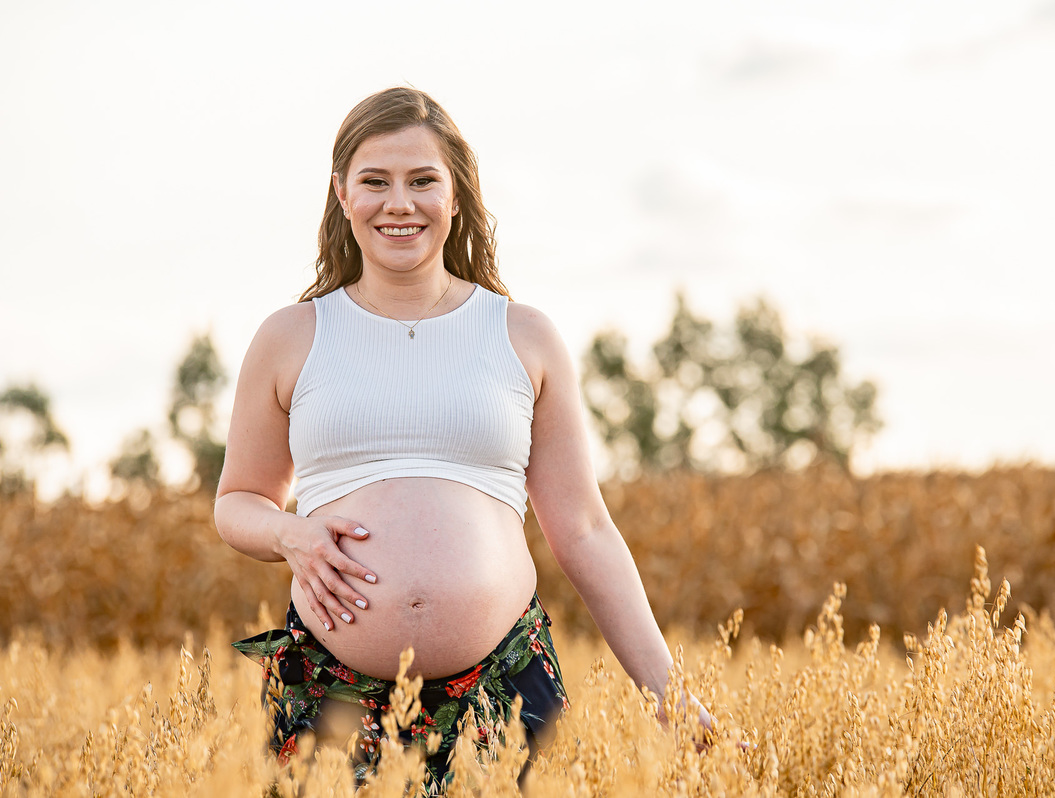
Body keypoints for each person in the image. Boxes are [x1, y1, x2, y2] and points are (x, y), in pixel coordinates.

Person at [214, 86, 712, 791]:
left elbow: (586, 530)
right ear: (341, 193)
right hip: (329, 692)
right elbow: (237, 500)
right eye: (375, 182)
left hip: (503, 690)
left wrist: (671, 696)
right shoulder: (291, 337)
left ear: (456, 193)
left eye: (423, 180)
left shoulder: (524, 336)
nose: (400, 203)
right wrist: (289, 535)